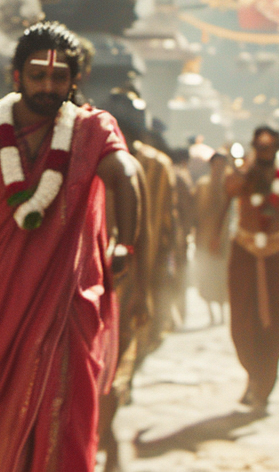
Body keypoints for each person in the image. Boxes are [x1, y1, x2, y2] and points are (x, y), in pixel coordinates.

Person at [0, 22, 142, 472]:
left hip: (63, 301)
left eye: (60, 77)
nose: (48, 86)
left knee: (60, 408)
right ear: (16, 77)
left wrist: (125, 244)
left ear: (75, 81)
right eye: (38, 75)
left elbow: (126, 174)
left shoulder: (91, 130)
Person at [96, 89, 175, 472]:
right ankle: (105, 441)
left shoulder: (148, 166)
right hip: (98, 280)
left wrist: (148, 287)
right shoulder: (93, 154)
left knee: (111, 367)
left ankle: (107, 441)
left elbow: (158, 230)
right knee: (106, 368)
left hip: (123, 281)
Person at [215, 125, 279, 411]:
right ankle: (253, 376)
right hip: (244, 252)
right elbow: (225, 202)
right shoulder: (241, 178)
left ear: (278, 148)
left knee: (278, 322)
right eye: (259, 148)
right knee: (243, 323)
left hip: (277, 255)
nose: (264, 153)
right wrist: (214, 237)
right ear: (254, 149)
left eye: (269, 149)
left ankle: (264, 382)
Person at [194, 152, 232, 326]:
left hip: (225, 241)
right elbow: (197, 213)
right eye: (216, 165)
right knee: (207, 278)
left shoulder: (230, 185)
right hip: (204, 239)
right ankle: (211, 314)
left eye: (222, 165)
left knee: (223, 278)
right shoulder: (202, 185)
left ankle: (223, 314)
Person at [170, 148, 197, 328]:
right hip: (177, 235)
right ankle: (178, 315)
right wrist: (188, 231)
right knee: (179, 274)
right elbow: (188, 209)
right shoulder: (182, 177)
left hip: (168, 233)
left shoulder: (171, 173)